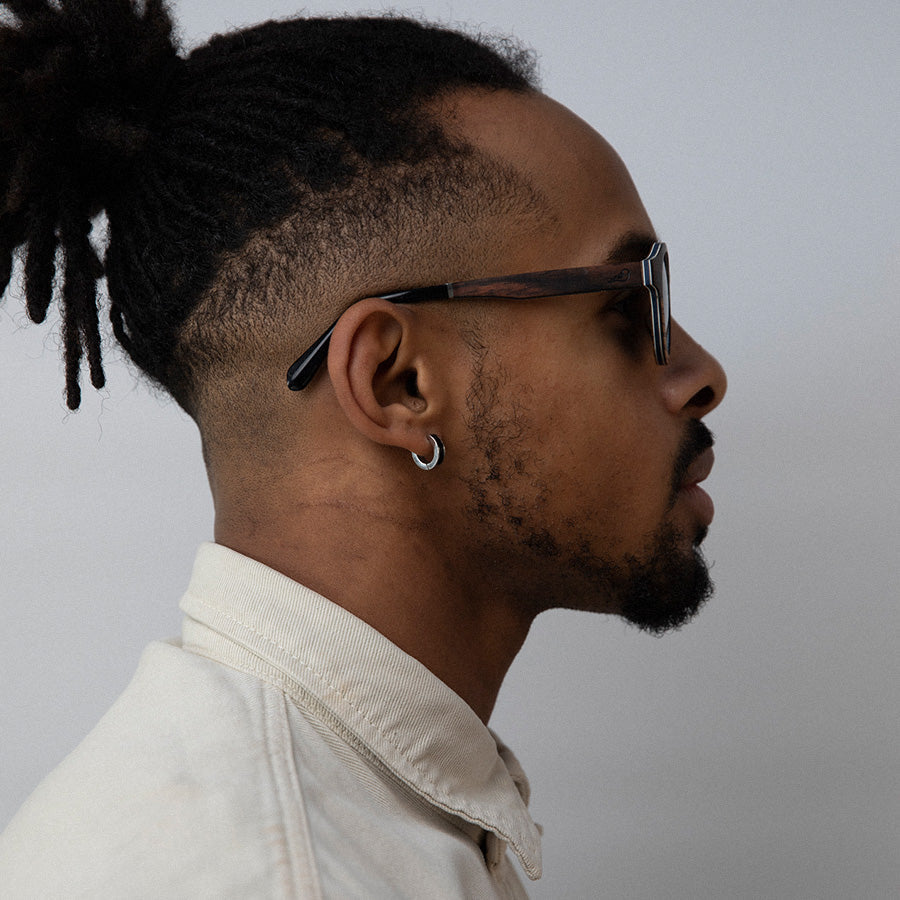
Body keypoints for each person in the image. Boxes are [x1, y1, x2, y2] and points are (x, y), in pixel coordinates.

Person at [0, 0, 726, 896]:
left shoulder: (330, 817)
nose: (701, 372)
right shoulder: (276, 875)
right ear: (398, 385)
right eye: (629, 304)